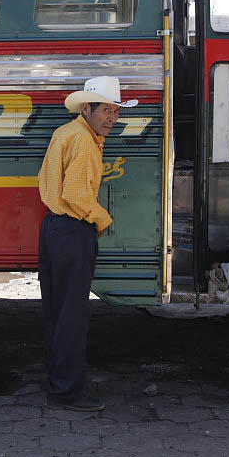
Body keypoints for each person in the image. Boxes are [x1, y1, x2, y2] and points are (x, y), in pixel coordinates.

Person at [37, 76, 137, 412]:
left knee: (56, 312)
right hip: (71, 231)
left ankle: (57, 381)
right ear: (87, 108)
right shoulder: (82, 140)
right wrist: (102, 219)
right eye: (106, 109)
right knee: (72, 316)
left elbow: (46, 182)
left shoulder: (66, 133)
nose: (112, 117)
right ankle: (66, 392)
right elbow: (77, 195)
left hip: (53, 228)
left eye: (115, 110)